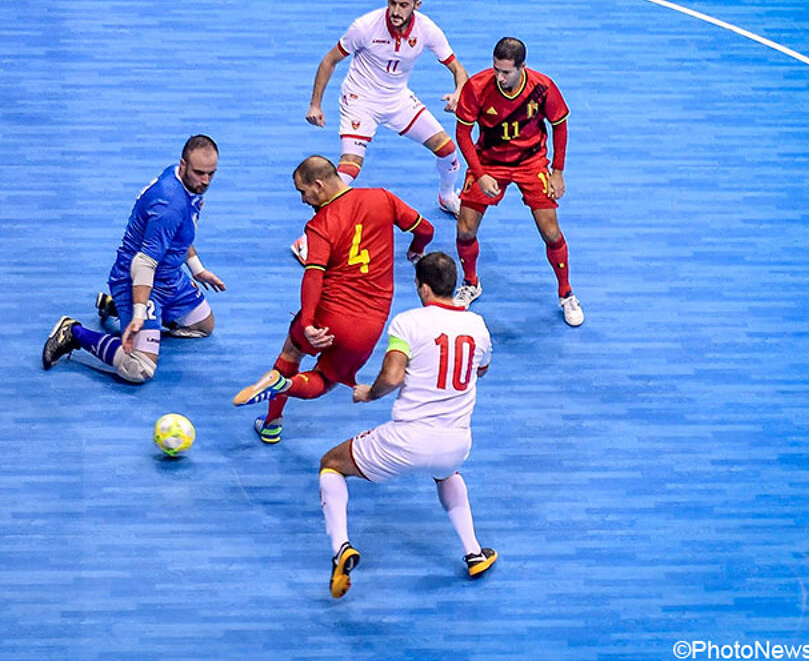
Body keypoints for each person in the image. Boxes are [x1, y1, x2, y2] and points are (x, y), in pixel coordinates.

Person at [319, 252, 496, 598]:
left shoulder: (407, 323)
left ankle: (340, 548)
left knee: (331, 464)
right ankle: (474, 553)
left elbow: (392, 376)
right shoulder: (478, 326)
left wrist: (368, 394)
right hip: (456, 443)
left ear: (423, 287)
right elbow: (481, 369)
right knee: (447, 473)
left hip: (406, 440)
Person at [232, 156, 434, 443]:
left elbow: (313, 275)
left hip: (329, 314)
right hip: (367, 327)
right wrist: (416, 248)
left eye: (303, 192)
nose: (303, 200)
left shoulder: (320, 224)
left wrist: (308, 323)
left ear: (319, 185)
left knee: (291, 352)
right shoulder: (383, 198)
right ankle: (285, 385)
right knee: (325, 380)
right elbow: (425, 229)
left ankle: (273, 421)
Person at [295, 0, 467, 265]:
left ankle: (447, 197)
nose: (396, 11)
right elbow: (329, 60)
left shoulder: (427, 29)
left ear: (417, 5)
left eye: (403, 5)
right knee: (349, 169)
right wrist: (315, 104)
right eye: (392, 3)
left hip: (398, 100)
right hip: (360, 100)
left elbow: (458, 69)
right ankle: (308, 239)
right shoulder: (365, 27)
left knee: (448, 150)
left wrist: (459, 93)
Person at [41, 135, 226, 383]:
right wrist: (139, 313)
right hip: (136, 280)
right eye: (200, 173)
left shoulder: (185, 182)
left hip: (169, 276)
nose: (205, 181)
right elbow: (143, 263)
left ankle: (120, 309)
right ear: (183, 165)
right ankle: (74, 333)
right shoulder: (169, 205)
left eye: (211, 174)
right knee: (139, 369)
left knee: (204, 326)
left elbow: (179, 233)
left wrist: (196, 268)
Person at [451, 37, 583, 326]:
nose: (499, 77)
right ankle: (470, 282)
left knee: (551, 232)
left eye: (506, 72)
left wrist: (558, 171)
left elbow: (559, 126)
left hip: (531, 162)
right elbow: (463, 134)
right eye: (496, 69)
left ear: (522, 67)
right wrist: (480, 174)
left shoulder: (542, 87)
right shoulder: (477, 87)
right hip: (488, 162)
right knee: (465, 229)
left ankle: (566, 293)